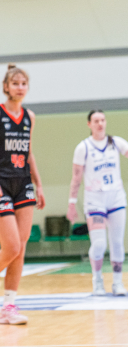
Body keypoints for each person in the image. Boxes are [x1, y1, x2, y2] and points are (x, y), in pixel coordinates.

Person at [0, 64, 46, 325]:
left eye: (24, 83)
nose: (20, 87)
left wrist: (39, 184)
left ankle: (8, 306)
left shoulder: (29, 116)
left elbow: (29, 152)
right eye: (15, 83)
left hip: (23, 182)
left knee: (20, 248)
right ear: (6, 87)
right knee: (11, 245)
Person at [67, 110, 128, 296]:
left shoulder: (116, 142)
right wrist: (72, 202)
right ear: (89, 124)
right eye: (96, 121)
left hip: (116, 198)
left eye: (102, 120)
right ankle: (98, 280)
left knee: (117, 242)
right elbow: (76, 177)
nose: (100, 123)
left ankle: (117, 282)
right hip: (95, 200)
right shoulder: (83, 148)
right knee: (99, 243)